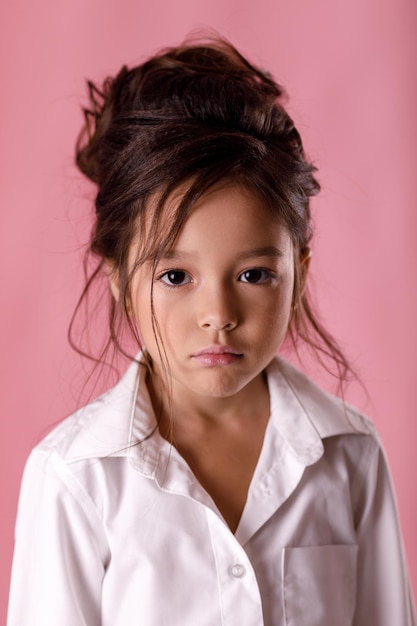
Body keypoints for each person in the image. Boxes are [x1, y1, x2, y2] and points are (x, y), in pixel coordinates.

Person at [7, 36, 416, 626]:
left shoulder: (350, 456)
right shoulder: (76, 476)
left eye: (253, 274)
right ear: (121, 280)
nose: (218, 312)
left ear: (298, 273)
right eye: (176, 275)